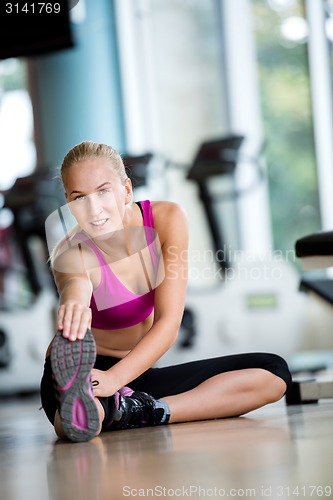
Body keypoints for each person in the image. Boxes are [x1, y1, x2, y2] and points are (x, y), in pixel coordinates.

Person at [40, 141, 292, 442]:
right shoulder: (71, 253)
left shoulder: (165, 220)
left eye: (103, 191)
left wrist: (116, 380)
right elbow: (76, 286)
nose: (93, 209)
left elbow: (169, 324)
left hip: (134, 373)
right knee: (88, 417)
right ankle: (88, 409)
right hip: (88, 375)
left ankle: (142, 410)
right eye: (79, 198)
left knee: (273, 373)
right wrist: (74, 304)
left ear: (127, 190)